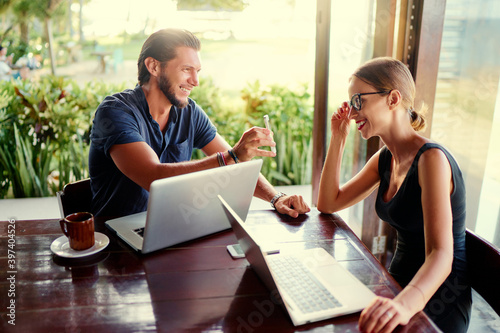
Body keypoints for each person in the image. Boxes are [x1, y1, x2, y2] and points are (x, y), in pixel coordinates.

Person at [317, 57, 471, 333]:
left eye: (358, 101)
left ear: (393, 99)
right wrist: (338, 138)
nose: (352, 114)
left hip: (435, 300)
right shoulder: (385, 158)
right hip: (395, 286)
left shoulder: (431, 159)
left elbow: (441, 254)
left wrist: (402, 305)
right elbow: (329, 203)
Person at [89, 28, 310, 219]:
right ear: (153, 67)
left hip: (168, 230)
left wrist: (276, 197)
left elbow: (237, 164)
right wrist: (231, 157)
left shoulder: (189, 111)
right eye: (186, 69)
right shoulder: (115, 112)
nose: (195, 81)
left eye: (197, 71)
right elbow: (153, 178)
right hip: (114, 242)